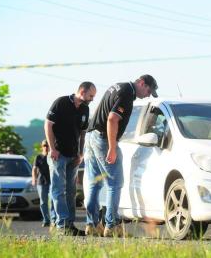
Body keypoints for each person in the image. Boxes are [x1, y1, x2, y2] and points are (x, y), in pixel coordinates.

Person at [84, 74, 158, 237]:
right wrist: (112, 147)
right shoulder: (126, 93)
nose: (147, 95)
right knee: (114, 183)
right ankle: (112, 225)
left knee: (94, 183)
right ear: (142, 83)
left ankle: (92, 224)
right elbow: (112, 119)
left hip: (91, 135)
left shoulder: (117, 86)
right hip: (103, 138)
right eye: (148, 91)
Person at [45, 81, 96, 236]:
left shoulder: (85, 108)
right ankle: (61, 225)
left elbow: (82, 132)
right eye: (91, 95)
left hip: (73, 156)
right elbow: (48, 125)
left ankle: (69, 224)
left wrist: (81, 153)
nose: (92, 99)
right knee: (58, 190)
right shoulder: (61, 102)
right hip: (58, 154)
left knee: (71, 192)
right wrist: (52, 148)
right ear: (82, 91)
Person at [32, 140, 56, 227]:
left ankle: (53, 219)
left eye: (47, 145)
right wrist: (34, 179)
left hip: (52, 181)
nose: (46, 147)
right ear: (42, 147)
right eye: (44, 145)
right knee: (43, 202)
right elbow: (34, 168)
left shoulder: (52, 156)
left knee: (52, 200)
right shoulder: (38, 157)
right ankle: (46, 220)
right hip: (41, 182)